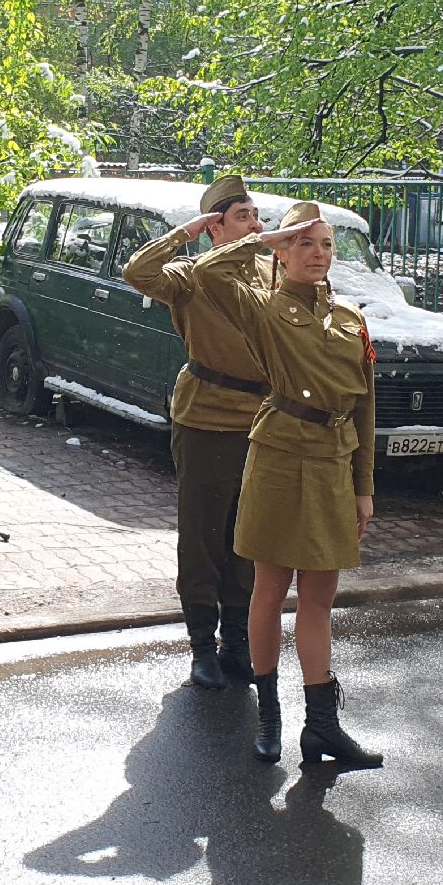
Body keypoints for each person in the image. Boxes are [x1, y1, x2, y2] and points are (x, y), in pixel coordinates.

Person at [188, 201, 384, 768]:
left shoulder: (350, 316)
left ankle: (321, 727)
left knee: (319, 598)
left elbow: (365, 408)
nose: (319, 253)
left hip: (332, 464)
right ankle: (269, 717)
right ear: (283, 251)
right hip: (278, 460)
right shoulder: (264, 310)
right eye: (305, 243)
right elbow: (205, 272)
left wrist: (363, 485)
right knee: (269, 593)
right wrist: (270, 236)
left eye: (325, 244)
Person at [121, 175, 267, 689]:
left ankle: (238, 642)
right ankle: (201, 646)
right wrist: (184, 233)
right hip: (207, 417)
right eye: (242, 217)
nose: (255, 224)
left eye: (256, 216)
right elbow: (137, 270)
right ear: (215, 227)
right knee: (204, 535)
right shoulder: (190, 274)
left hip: (263, 423)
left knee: (247, 538)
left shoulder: (268, 272)